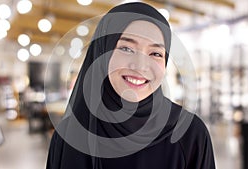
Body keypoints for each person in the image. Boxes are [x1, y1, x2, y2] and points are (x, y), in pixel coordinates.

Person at [46, 2, 216, 169]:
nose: (140, 66)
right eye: (127, 49)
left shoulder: (190, 135)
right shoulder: (69, 136)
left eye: (155, 53)